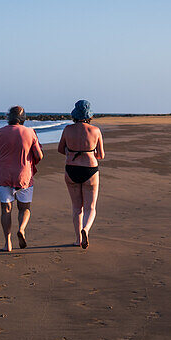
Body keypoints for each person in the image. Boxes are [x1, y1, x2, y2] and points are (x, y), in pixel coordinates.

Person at [0, 105, 44, 252]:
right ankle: (21, 229)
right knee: (25, 208)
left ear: (8, 117)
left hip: (3, 177)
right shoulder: (30, 133)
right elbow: (39, 156)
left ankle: (7, 243)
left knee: (6, 209)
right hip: (24, 177)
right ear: (23, 119)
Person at [57, 99, 104, 249]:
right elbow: (101, 155)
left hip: (71, 169)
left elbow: (60, 149)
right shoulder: (95, 130)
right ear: (89, 115)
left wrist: (71, 152)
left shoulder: (67, 129)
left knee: (77, 207)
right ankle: (86, 229)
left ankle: (78, 239)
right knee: (91, 207)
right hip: (90, 169)